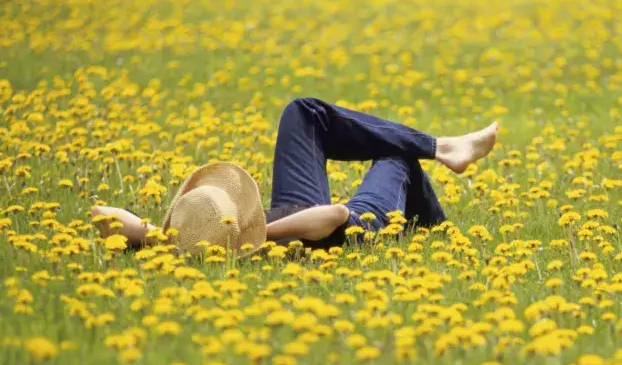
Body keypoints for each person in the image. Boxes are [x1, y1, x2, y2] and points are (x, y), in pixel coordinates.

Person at [91, 97, 498, 254]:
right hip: (354, 229)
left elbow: (102, 213)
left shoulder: (181, 244)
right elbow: (335, 215)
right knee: (396, 158)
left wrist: (159, 233)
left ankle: (441, 149)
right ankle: (438, 212)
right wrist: (252, 236)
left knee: (304, 112)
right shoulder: (253, 240)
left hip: (287, 209)